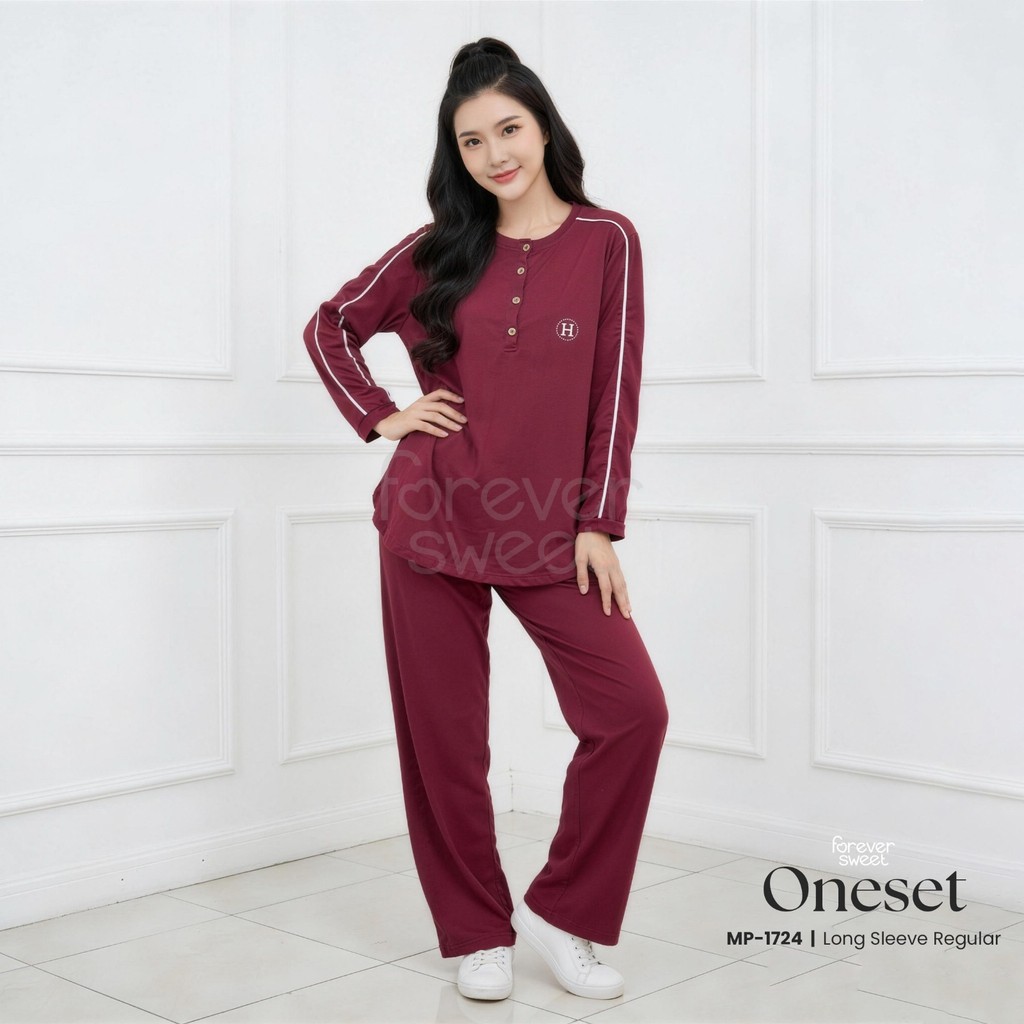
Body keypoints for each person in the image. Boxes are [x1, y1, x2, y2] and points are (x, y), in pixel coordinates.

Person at [303, 37, 669, 1003]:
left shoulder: (608, 241)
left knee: (633, 712)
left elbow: (615, 392)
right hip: (430, 518)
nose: (494, 154)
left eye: (508, 129)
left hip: (552, 530)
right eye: (471, 141)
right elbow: (331, 324)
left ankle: (564, 912)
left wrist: (599, 523)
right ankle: (475, 931)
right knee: (446, 742)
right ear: (455, 153)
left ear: (543, 126)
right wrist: (383, 415)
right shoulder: (438, 247)